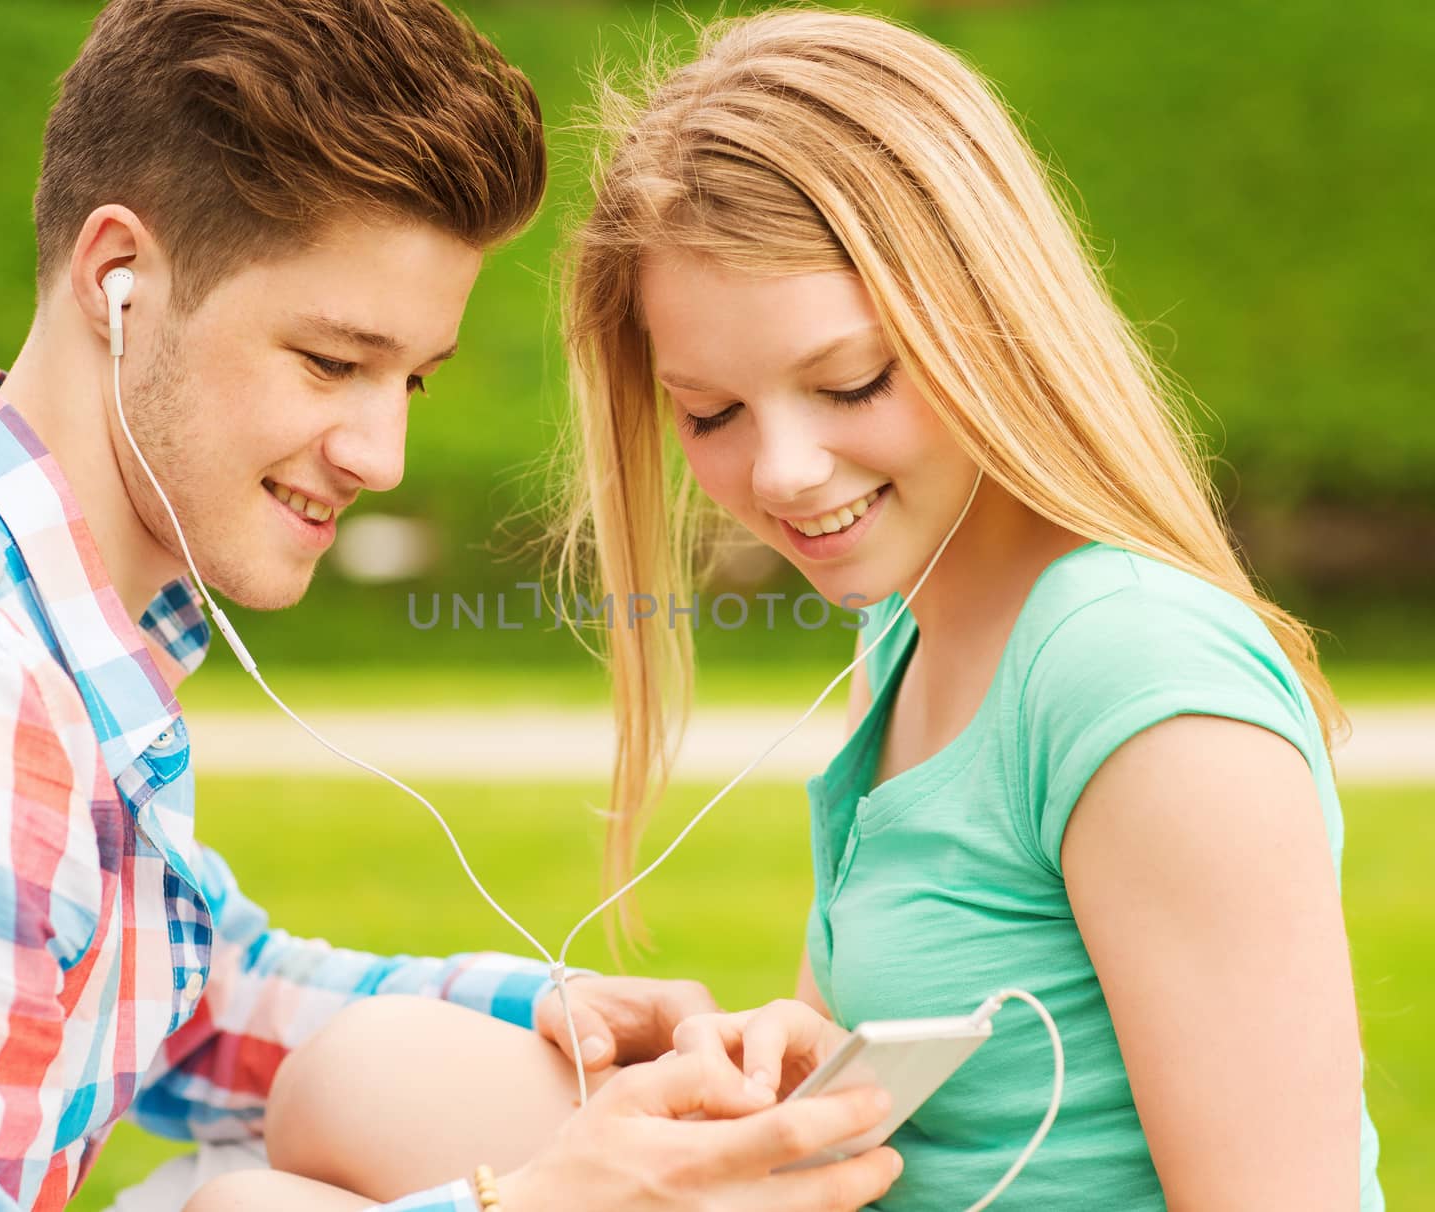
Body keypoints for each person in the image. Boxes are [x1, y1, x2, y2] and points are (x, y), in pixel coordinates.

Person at [0, 2, 905, 1210]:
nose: (381, 454)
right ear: (116, 278)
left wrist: (563, 1013)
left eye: (413, 380)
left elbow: (189, 999)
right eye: (333, 363)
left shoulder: (43, 623)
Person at [547, 8, 1383, 1210]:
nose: (780, 471)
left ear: (986, 315)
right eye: (710, 413)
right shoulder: (905, 619)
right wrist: (789, 1062)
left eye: (849, 382)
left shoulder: (1132, 674)